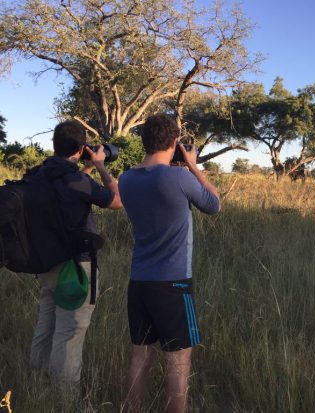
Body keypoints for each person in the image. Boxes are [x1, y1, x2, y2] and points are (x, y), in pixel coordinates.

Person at [119, 114, 220, 412]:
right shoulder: (179, 177)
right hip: (173, 284)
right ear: (175, 142)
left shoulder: (126, 178)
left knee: (139, 356)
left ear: (144, 141)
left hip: (139, 282)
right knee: (178, 361)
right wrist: (192, 165)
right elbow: (215, 205)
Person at [29, 121, 122, 385]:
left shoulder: (39, 174)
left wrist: (87, 166)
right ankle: (64, 398)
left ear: (54, 145)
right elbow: (116, 201)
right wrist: (101, 165)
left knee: (46, 325)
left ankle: (35, 383)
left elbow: (69, 186)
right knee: (69, 332)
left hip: (46, 263)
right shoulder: (77, 180)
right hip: (75, 267)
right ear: (81, 149)